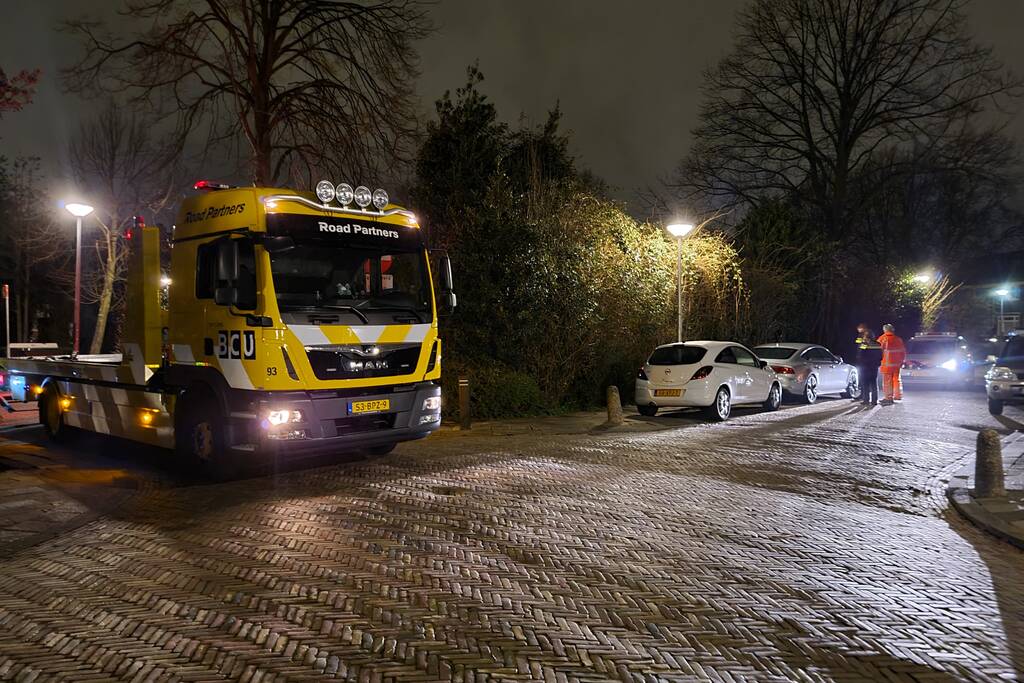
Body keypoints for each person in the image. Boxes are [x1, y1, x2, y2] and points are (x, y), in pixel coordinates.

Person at [877, 323, 906, 405]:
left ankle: (888, 397)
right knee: (897, 380)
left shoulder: (882, 339)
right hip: (897, 364)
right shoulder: (898, 339)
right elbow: (903, 352)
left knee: (887, 382)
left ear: (885, 330)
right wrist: (901, 361)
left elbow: (877, 351)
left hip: (887, 365)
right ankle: (897, 395)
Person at [854, 323, 882, 405]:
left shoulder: (863, 345)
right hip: (874, 367)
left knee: (865, 384)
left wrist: (860, 362)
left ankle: (866, 400)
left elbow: (859, 355)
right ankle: (874, 401)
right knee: (874, 384)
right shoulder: (878, 344)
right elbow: (881, 356)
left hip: (865, 367)